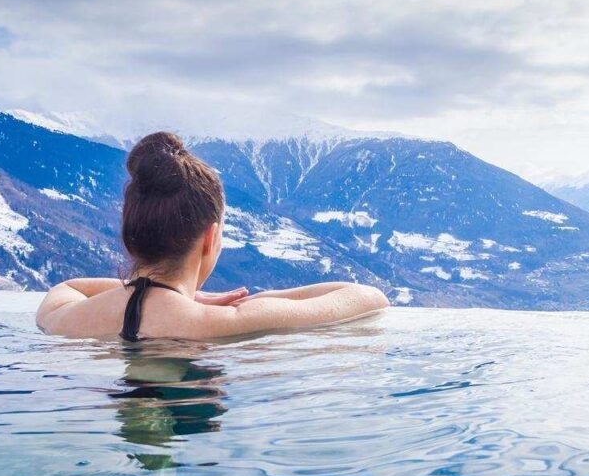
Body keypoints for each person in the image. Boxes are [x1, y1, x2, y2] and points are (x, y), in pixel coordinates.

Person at [36, 132, 389, 340]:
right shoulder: (225, 323)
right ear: (211, 238)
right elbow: (368, 297)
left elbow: (69, 287)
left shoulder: (65, 318)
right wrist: (256, 300)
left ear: (132, 235)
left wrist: (161, 292)